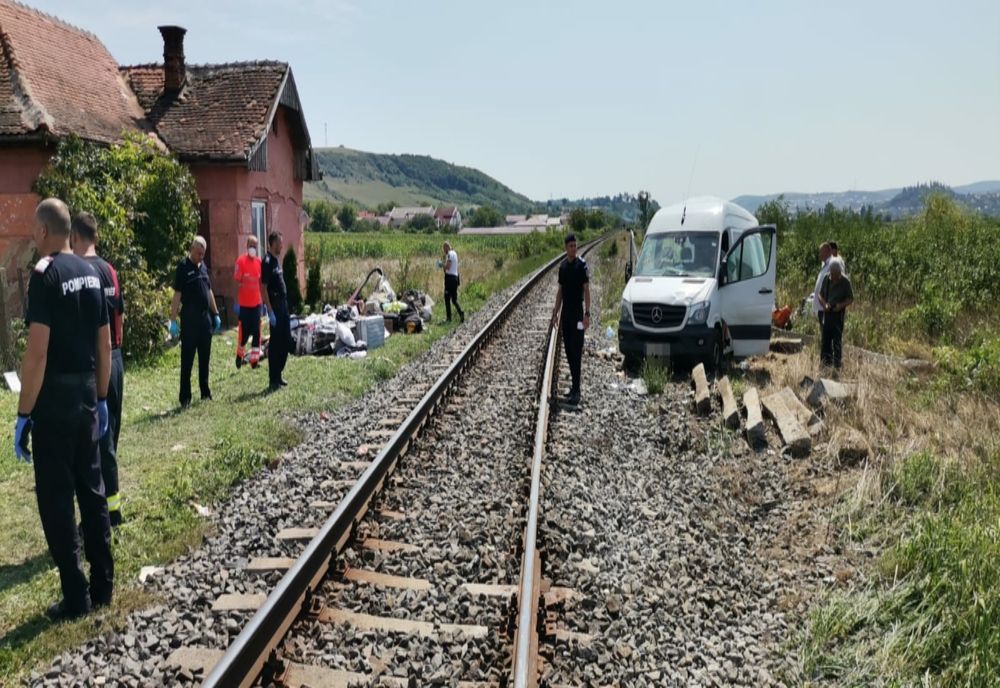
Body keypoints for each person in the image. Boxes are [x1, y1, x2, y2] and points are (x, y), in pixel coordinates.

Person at [14, 198, 113, 620]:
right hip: (89, 395)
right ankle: (104, 585)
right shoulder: (94, 272)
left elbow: (36, 355)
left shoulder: (45, 275)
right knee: (92, 491)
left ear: (42, 233)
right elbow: (104, 343)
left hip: (54, 403)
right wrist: (103, 397)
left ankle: (76, 597)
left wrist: (23, 414)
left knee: (57, 501)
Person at [71, 213, 126, 527]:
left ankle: (106, 516)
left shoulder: (79, 273)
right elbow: (120, 316)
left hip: (94, 364)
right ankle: (111, 507)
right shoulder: (110, 270)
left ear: (75, 238)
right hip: (116, 360)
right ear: (97, 237)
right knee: (110, 440)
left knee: (95, 445)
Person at [169, 237, 221, 407]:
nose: (200, 256)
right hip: (189, 323)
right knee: (187, 361)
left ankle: (205, 392)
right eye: (198, 253)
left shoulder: (204, 267)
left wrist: (216, 313)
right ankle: (185, 397)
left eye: (203, 254)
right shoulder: (183, 268)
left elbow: (209, 291)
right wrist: (172, 320)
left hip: (205, 321)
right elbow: (177, 296)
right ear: (191, 248)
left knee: (204, 359)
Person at [550, 234, 590, 405]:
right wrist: (555, 313)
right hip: (566, 315)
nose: (574, 248)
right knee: (568, 351)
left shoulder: (582, 266)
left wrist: (587, 314)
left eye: (575, 245)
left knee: (576, 351)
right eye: (571, 246)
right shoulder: (563, 267)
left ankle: (577, 390)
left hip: (578, 315)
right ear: (566, 248)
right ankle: (573, 388)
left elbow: (587, 290)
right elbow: (560, 292)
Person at [261, 231, 291, 392]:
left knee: (285, 340)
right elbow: (263, 288)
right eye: (279, 243)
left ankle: (279, 374)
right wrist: (270, 311)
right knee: (276, 343)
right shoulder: (266, 262)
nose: (281, 245)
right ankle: (273, 379)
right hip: (275, 307)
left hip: (283, 306)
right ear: (272, 244)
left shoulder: (275, 261)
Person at [816, 257, 853, 370]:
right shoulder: (827, 278)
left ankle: (837, 366)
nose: (834, 277)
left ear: (839, 272)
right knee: (825, 340)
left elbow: (850, 299)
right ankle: (825, 364)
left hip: (838, 314)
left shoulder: (845, 282)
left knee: (836, 341)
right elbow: (819, 295)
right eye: (832, 274)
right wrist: (825, 305)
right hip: (827, 313)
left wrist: (840, 306)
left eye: (836, 275)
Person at [233, 235, 263, 369]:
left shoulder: (259, 262)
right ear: (247, 246)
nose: (253, 248)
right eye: (251, 245)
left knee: (257, 334)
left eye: (255, 246)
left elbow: (260, 284)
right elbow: (236, 283)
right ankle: (239, 356)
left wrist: (263, 303)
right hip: (244, 306)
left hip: (256, 305)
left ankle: (254, 361)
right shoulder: (241, 262)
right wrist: (236, 302)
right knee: (244, 335)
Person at [442, 241, 464, 323]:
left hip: (449, 279)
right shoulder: (455, 253)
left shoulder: (450, 254)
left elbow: (448, 267)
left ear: (447, 247)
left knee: (447, 298)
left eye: (444, 248)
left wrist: (442, 265)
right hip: (455, 277)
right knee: (454, 299)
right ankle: (460, 312)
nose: (444, 250)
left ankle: (449, 318)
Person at [811, 242, 832, 327]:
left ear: (827, 252)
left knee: (826, 331)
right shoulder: (824, 264)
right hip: (820, 306)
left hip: (825, 306)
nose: (819, 254)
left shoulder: (831, 265)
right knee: (823, 330)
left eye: (821, 252)